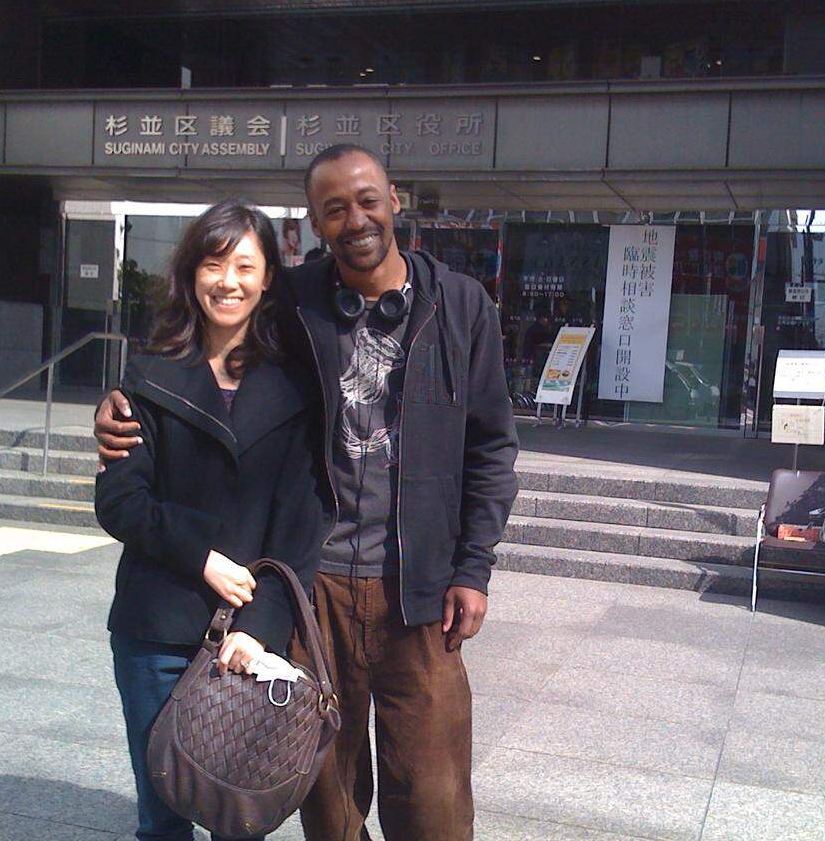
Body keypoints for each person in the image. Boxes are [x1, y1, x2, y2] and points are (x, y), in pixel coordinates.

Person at [96, 145, 519, 841]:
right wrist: (119, 402)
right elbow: (209, 333)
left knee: (434, 796)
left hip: (418, 585)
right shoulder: (294, 300)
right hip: (313, 585)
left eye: (367, 199)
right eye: (334, 208)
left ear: (394, 199)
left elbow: (493, 444)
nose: (355, 218)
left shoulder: (460, 303)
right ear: (317, 224)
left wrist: (474, 567)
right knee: (327, 792)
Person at [95, 200, 327, 841]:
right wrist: (202, 557)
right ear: (191, 273)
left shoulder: (296, 389)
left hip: (247, 641)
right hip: (157, 627)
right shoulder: (148, 376)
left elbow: (300, 525)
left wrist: (262, 627)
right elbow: (120, 501)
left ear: (268, 278)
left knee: (239, 818)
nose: (229, 281)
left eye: (245, 266)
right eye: (214, 263)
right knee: (161, 817)